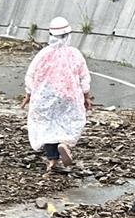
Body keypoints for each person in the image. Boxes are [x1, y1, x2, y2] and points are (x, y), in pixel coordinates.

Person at [21, 16, 91, 173]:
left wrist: (28, 94)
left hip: (46, 98)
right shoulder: (75, 54)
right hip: (69, 97)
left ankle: (52, 160)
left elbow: (31, 75)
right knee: (70, 122)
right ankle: (65, 144)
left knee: (47, 126)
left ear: (51, 35)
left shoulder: (43, 54)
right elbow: (84, 77)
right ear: (68, 35)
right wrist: (86, 96)